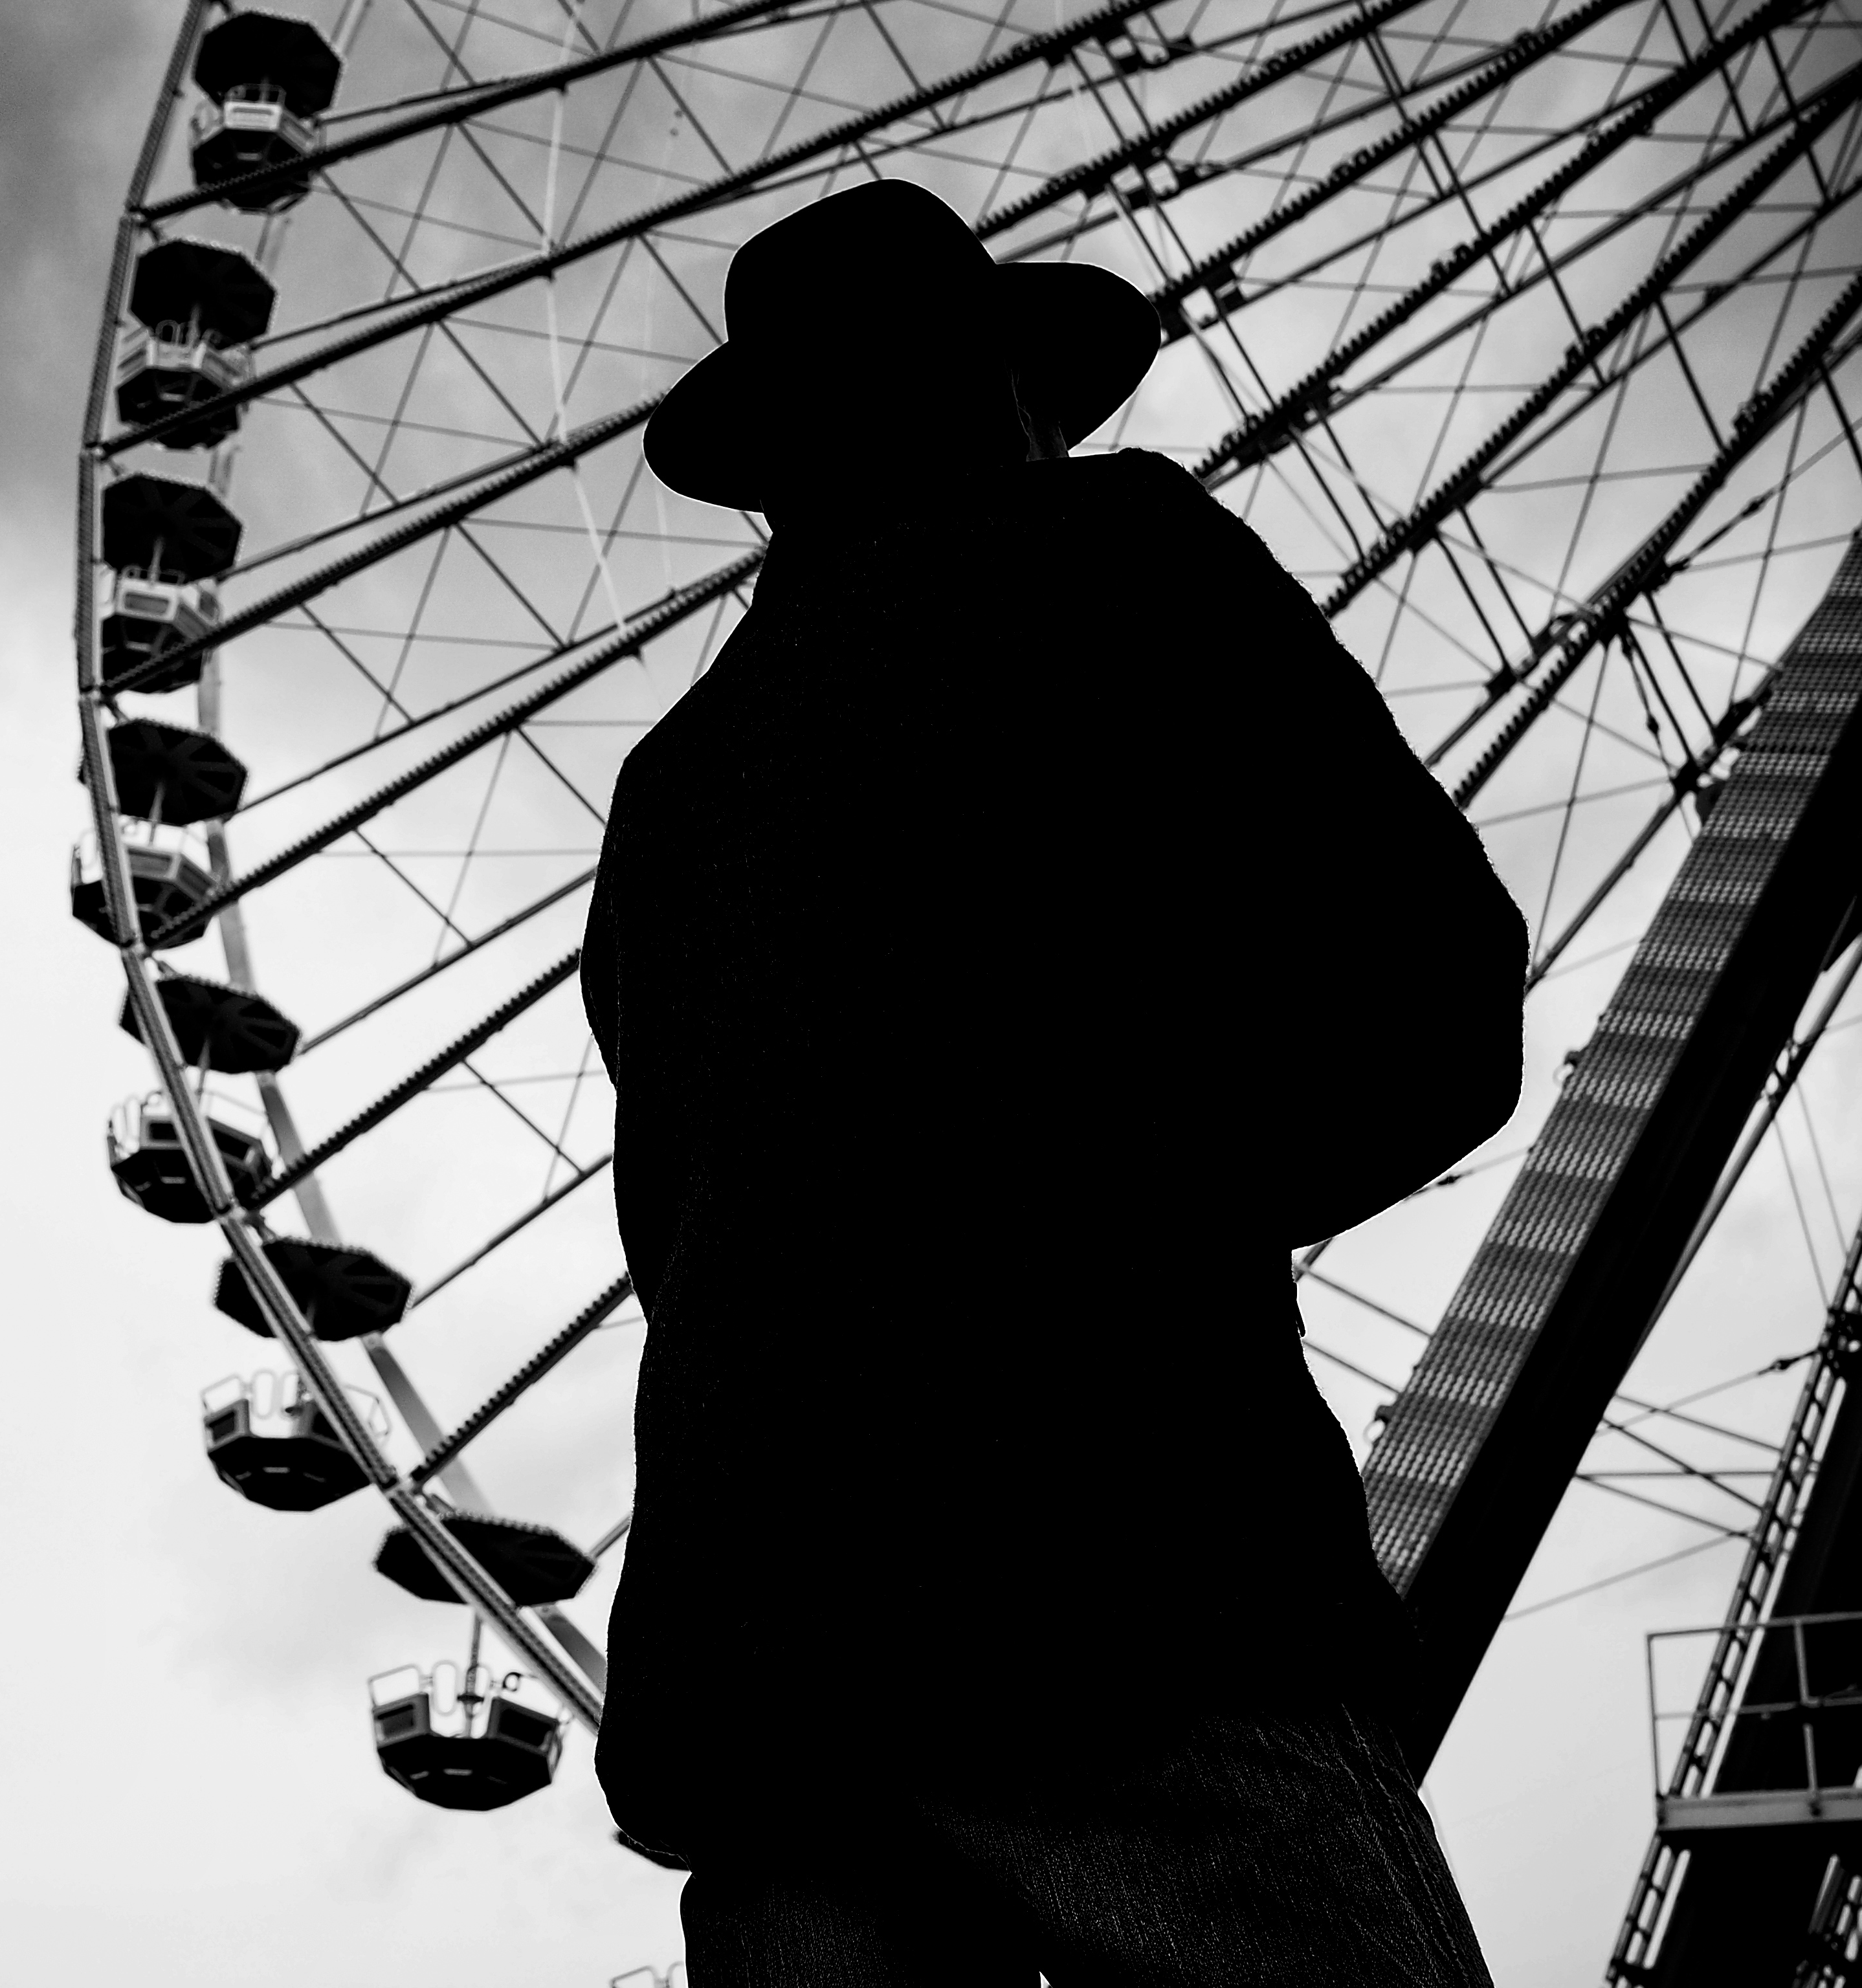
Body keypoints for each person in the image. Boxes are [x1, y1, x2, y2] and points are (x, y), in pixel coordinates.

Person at [580, 180, 1525, 1985]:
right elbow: (1436, 992)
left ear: (773, 472)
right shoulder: (1114, 554)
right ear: (1003, 393)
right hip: (1119, 1577)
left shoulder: (673, 790)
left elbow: (683, 1233)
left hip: (759, 1680)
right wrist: (1146, 1205)